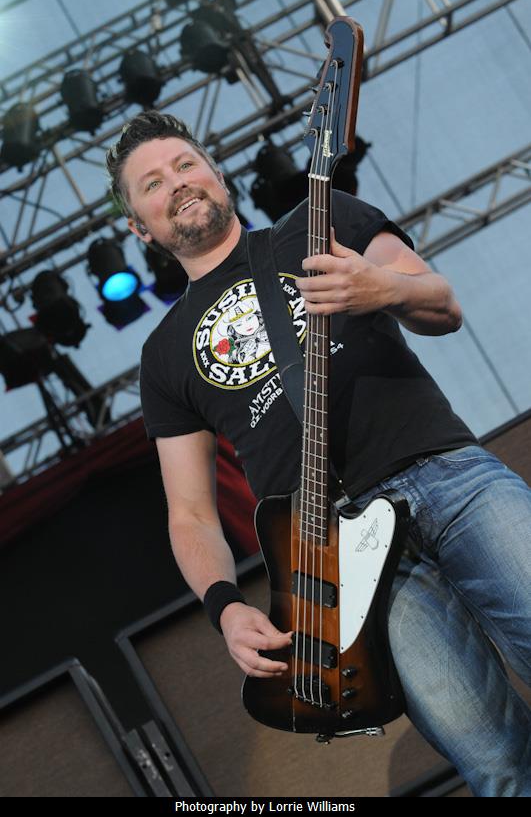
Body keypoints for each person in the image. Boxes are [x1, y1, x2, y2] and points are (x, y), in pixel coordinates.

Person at [106, 111, 531, 796]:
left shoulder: (320, 219)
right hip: (340, 558)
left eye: (185, 164)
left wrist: (383, 288)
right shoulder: (163, 356)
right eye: (152, 184)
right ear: (139, 228)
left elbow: (442, 305)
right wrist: (224, 606)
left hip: (448, 479)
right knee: (493, 760)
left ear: (217, 173)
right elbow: (189, 512)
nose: (176, 183)